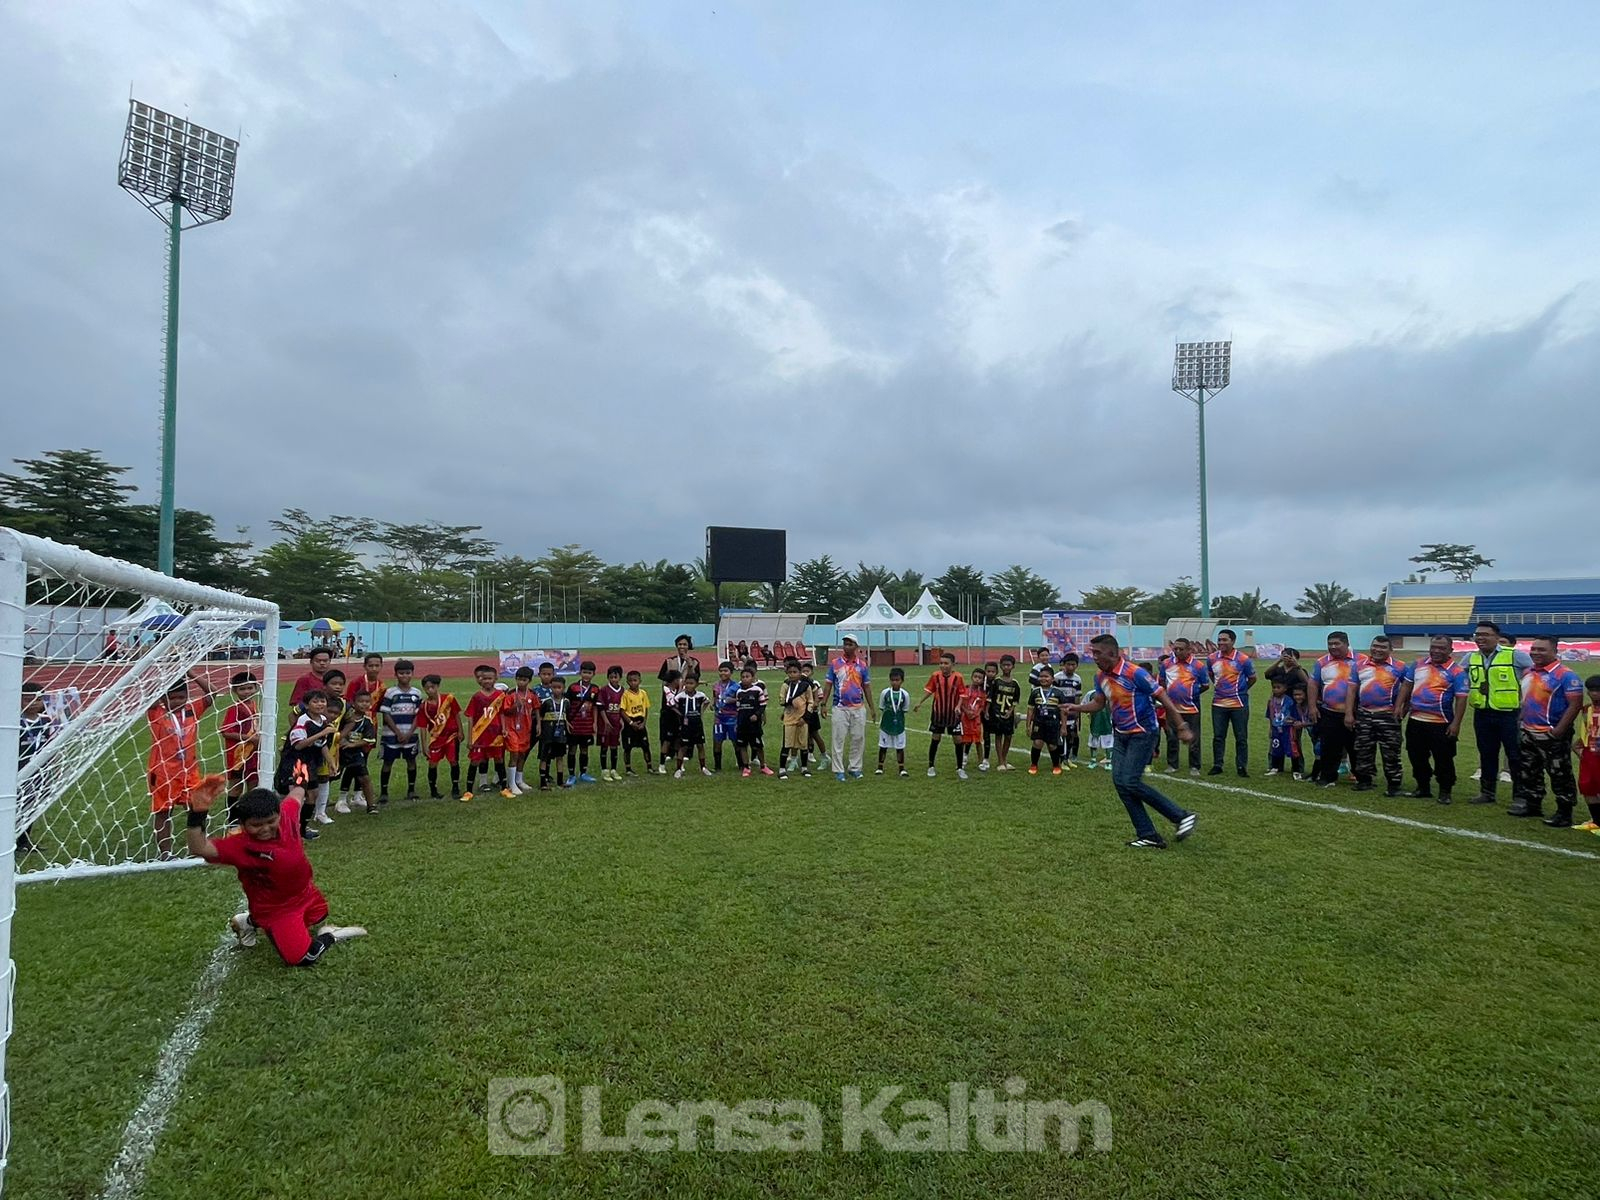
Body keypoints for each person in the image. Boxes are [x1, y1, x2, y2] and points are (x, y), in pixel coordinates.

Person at [183, 777, 366, 966]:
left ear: (279, 814)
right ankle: (329, 935)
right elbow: (199, 847)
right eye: (256, 825)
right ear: (243, 825)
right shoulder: (241, 846)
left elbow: (296, 795)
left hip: (304, 893)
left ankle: (247, 922)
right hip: (276, 910)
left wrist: (300, 779)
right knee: (302, 958)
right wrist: (197, 812)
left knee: (319, 915)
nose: (265, 828)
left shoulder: (287, 813)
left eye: (271, 821)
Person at [1067, 634, 1198, 849]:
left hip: (1143, 733)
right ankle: (1148, 834)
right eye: (1093, 653)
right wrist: (1076, 708)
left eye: (1097, 653)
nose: (1094, 658)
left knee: (1130, 781)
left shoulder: (1133, 672)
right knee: (1121, 783)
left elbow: (1163, 697)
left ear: (1112, 653)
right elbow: (1099, 703)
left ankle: (1181, 816)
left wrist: (1181, 726)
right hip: (1121, 735)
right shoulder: (1100, 677)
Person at [1509, 636, 1585, 826]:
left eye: (1542, 649)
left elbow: (1575, 705)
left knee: (1560, 774)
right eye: (1533, 649)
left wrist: (1558, 731)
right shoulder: (1528, 671)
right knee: (1529, 770)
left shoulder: (1566, 675)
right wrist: (1521, 721)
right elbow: (1524, 698)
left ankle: (1564, 812)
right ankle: (1533, 804)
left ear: (1555, 651)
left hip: (1551, 734)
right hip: (1528, 731)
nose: (1536, 652)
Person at [146, 671, 214, 860]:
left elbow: (212, 693)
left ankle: (198, 846)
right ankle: (165, 854)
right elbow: (149, 695)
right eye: (172, 698)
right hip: (163, 773)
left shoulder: (192, 709)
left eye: (181, 697)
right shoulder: (156, 713)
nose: (177, 701)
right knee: (163, 813)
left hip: (189, 771)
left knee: (196, 809)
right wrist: (164, 677)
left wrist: (190, 673)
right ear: (163, 698)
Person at [1463, 620, 1531, 804]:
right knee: (1487, 753)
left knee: (1515, 755)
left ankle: (1520, 796)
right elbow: (1462, 678)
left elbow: (1535, 675)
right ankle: (1487, 793)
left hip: (1510, 714)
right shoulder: (1470, 657)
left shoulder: (1515, 656)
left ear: (1497, 637)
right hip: (1482, 713)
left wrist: (1526, 703)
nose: (1480, 638)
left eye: (1485, 635)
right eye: (1477, 635)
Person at [1396, 634, 1468, 804]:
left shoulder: (1457, 672)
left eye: (1441, 648)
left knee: (1443, 758)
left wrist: (1456, 724)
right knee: (1416, 756)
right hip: (1416, 720)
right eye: (1433, 647)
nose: (1436, 651)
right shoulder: (1418, 664)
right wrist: (1399, 705)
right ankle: (1423, 787)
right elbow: (1407, 685)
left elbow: (1461, 699)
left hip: (1441, 723)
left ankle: (1445, 790)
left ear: (1450, 650)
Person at [1351, 635, 1405, 797]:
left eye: (1382, 647)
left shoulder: (1400, 667)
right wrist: (1349, 712)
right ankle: (1364, 781)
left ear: (1390, 650)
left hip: (1388, 716)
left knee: (1391, 751)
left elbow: (1408, 688)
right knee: (1363, 749)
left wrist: (1402, 708)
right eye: (1375, 646)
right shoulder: (1359, 666)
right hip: (1364, 714)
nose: (1378, 650)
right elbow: (1352, 690)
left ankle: (1394, 784)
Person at [277, 689, 334, 840]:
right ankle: (289, 828)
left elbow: (322, 745)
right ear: (307, 705)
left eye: (322, 701)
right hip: (296, 762)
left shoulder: (322, 720)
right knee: (298, 796)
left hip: (309, 763)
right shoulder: (303, 721)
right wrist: (321, 733)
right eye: (315, 701)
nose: (319, 704)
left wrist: (331, 762)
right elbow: (299, 745)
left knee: (313, 795)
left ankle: (301, 828)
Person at [821, 635, 875, 781]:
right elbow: (828, 685)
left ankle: (855, 768)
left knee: (858, 738)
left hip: (858, 707)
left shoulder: (862, 665)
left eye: (850, 644)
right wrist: (823, 704)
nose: (847, 647)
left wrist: (872, 707)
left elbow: (867, 687)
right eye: (845, 644)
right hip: (840, 707)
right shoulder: (835, 664)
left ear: (856, 647)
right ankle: (838, 770)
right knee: (838, 739)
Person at [1308, 632, 1358, 789]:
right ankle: (1328, 776)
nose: (1333, 647)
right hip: (1329, 711)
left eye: (1337, 643)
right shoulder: (1322, 662)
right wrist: (1312, 707)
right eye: (1330, 644)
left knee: (1356, 745)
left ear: (1346, 643)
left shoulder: (1361, 660)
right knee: (1329, 746)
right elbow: (1313, 684)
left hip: (1356, 712)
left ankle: (1361, 777)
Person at [1207, 628, 1255, 776]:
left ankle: (1241, 766)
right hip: (1218, 704)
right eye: (1219, 639)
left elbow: (1252, 678)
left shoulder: (1242, 659)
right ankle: (1217, 765)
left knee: (1241, 737)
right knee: (1218, 736)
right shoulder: (1212, 658)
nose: (1221, 642)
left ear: (1232, 641)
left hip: (1238, 704)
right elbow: (1211, 675)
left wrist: (1240, 690)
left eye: (1224, 640)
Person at [1160, 638, 1209, 776]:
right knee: (1171, 737)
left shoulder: (1198, 666)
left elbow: (1205, 685)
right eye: (1175, 649)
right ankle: (1172, 764)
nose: (1178, 651)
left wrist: (1192, 693)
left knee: (1194, 737)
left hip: (1192, 708)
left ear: (1189, 650)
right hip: (1172, 708)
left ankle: (1194, 766)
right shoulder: (1166, 664)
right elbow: (1162, 681)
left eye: (1181, 649)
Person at [377, 659, 423, 803]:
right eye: (401, 673)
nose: (404, 676)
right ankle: (384, 792)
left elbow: (418, 716)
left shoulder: (417, 693)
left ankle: (411, 790)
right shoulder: (390, 693)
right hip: (391, 735)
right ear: (396, 674)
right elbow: (386, 714)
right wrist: (397, 732)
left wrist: (409, 733)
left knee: (411, 761)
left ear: (412, 674)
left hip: (410, 735)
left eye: (407, 673)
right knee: (388, 762)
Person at [915, 652, 968, 778]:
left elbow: (962, 694)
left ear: (953, 664)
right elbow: (930, 690)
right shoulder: (935, 676)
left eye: (946, 663)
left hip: (953, 714)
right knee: (935, 738)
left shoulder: (958, 677)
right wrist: (920, 702)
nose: (943, 666)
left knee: (958, 740)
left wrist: (958, 706)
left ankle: (960, 768)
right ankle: (931, 766)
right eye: (941, 663)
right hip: (938, 713)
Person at [220, 671, 261, 827]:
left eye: (250, 688)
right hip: (238, 754)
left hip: (253, 753)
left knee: (254, 784)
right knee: (236, 786)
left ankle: (251, 816)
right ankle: (232, 820)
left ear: (256, 688)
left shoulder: (254, 705)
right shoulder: (235, 708)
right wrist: (250, 738)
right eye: (242, 689)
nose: (247, 691)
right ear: (234, 691)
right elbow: (226, 731)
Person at [463, 664, 509, 801]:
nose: (487, 681)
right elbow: (470, 717)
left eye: (490, 678)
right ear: (480, 680)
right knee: (475, 761)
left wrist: (504, 728)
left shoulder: (500, 695)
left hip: (495, 734)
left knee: (499, 759)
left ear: (495, 679)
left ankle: (504, 788)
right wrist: (470, 738)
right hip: (480, 735)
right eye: (485, 678)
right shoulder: (477, 697)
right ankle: (468, 791)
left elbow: (501, 714)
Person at [310, 669, 348, 825]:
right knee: (308, 779)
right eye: (334, 684)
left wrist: (341, 735)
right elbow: (295, 712)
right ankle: (306, 809)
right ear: (325, 685)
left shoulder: (345, 704)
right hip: (311, 746)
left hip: (329, 747)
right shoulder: (315, 698)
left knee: (325, 778)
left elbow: (352, 719)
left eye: (341, 684)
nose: (338, 687)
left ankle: (321, 812)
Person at [335, 689, 378, 815]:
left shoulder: (367, 721)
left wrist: (352, 745)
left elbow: (369, 739)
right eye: (361, 701)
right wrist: (341, 741)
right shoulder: (344, 719)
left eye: (367, 702)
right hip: (339, 752)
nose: (364, 704)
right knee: (331, 776)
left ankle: (371, 805)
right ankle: (331, 802)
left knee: (364, 777)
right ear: (353, 703)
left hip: (355, 753)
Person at [420, 674, 464, 799]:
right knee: (433, 763)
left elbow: (456, 714)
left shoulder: (448, 698)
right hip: (436, 739)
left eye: (432, 687)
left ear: (438, 686)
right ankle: (433, 790)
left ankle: (455, 787)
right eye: (427, 688)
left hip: (451, 736)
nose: (430, 690)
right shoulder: (424, 706)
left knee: (453, 761)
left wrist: (460, 731)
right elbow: (422, 727)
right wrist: (424, 746)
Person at [982, 655, 1023, 772]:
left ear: (1013, 667)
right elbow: (990, 698)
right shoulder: (996, 682)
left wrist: (1010, 712)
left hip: (1008, 714)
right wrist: (987, 711)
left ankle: (1005, 759)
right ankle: (1000, 761)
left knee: (1008, 736)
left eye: (1008, 665)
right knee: (998, 736)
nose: (1006, 667)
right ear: (1000, 666)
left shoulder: (1015, 684)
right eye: (1004, 665)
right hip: (996, 713)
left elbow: (1015, 701)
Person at [502, 667, 538, 796]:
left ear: (529, 681)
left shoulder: (532, 694)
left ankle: (519, 779)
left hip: (525, 729)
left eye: (524, 680)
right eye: (519, 680)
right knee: (514, 754)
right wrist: (515, 706)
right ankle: (511, 784)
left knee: (523, 754)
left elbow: (536, 709)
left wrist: (538, 724)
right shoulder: (511, 694)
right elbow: (505, 711)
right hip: (512, 729)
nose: (521, 682)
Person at [672, 672, 714, 778]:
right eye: (687, 683)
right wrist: (681, 716)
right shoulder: (680, 696)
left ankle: (703, 767)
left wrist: (701, 712)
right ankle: (678, 768)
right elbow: (673, 705)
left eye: (691, 683)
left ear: (696, 684)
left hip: (697, 725)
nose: (689, 685)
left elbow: (707, 702)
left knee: (700, 745)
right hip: (686, 726)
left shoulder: (700, 695)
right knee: (683, 746)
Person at [1026, 669, 1068, 775]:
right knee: (1037, 743)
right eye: (1041, 677)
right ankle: (1034, 764)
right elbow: (1030, 709)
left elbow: (1063, 711)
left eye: (1046, 677)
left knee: (1052, 745)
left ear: (1052, 679)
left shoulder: (1058, 693)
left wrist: (1064, 726)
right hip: (1038, 722)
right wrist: (1028, 725)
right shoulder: (1035, 692)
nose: (1043, 679)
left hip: (1053, 723)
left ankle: (1056, 765)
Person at [778, 659, 814, 778]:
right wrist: (790, 701)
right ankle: (782, 769)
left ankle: (804, 767)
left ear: (800, 673)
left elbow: (810, 702)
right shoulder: (785, 686)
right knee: (787, 744)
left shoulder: (805, 686)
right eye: (790, 672)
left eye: (795, 672)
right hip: (789, 718)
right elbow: (781, 700)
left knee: (803, 744)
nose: (792, 674)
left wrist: (805, 718)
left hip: (802, 720)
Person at [735, 665, 773, 776]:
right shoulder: (739, 692)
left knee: (758, 745)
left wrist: (757, 715)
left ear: (752, 678)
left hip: (754, 724)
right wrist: (738, 722)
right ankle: (746, 767)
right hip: (743, 724)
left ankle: (763, 766)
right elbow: (738, 708)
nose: (745, 678)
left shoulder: (757, 690)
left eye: (747, 676)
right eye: (743, 677)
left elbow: (763, 705)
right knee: (742, 745)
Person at [1573, 676, 1600, 832]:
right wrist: (1578, 746)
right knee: (1586, 786)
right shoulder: (1587, 709)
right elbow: (1588, 730)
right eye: (1591, 690)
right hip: (1589, 753)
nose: (1594, 694)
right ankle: (1596, 821)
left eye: (1598, 690)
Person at [566, 662, 601, 784]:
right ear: (580, 673)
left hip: (587, 725)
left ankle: (583, 773)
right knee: (572, 750)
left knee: (584, 749)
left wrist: (595, 723)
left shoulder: (595, 689)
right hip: (574, 725)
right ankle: (571, 775)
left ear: (593, 674)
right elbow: (566, 705)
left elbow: (596, 707)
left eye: (589, 673)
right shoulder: (573, 687)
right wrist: (567, 721)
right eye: (584, 672)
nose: (586, 675)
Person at [1265, 677, 1306, 778]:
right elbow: (1270, 716)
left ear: (1285, 688)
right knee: (1276, 748)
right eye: (1274, 687)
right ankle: (1275, 767)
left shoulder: (1290, 701)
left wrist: (1294, 726)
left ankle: (1296, 770)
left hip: (1288, 730)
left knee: (1292, 749)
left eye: (1278, 687)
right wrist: (1271, 728)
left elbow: (1295, 716)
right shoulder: (1271, 701)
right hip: (1276, 729)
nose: (1275, 689)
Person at [876, 667, 911, 777]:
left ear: (902, 680)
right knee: (883, 745)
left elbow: (905, 709)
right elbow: (882, 707)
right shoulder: (885, 693)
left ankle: (901, 769)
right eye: (893, 680)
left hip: (899, 724)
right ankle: (880, 767)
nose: (895, 682)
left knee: (900, 746)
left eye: (897, 680)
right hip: (886, 723)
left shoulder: (905, 694)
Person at [538, 676, 571, 790]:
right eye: (554, 687)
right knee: (544, 757)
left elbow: (567, 716)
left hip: (561, 735)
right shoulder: (546, 702)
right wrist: (539, 728)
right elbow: (541, 716)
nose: (557, 690)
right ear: (550, 688)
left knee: (560, 757)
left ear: (563, 688)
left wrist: (567, 725)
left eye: (559, 687)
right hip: (548, 734)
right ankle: (543, 782)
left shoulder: (566, 702)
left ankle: (560, 781)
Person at [620, 669, 654, 775]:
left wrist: (644, 722)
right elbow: (622, 710)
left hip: (640, 722)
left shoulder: (643, 693)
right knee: (628, 748)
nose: (633, 683)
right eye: (630, 681)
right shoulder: (625, 694)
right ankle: (628, 769)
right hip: (630, 724)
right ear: (627, 682)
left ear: (640, 681)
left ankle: (649, 767)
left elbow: (646, 708)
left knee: (645, 746)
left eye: (635, 680)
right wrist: (631, 723)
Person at [596, 666, 626, 782]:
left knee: (614, 746)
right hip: (605, 723)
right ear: (608, 677)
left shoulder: (623, 690)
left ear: (620, 677)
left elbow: (623, 708)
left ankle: (613, 769)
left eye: (616, 677)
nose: (613, 679)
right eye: (611, 677)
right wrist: (605, 720)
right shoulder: (604, 690)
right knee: (604, 747)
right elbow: (601, 707)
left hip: (616, 722)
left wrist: (622, 720)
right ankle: (604, 770)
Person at [712, 662, 741, 773]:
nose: (723, 673)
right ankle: (717, 767)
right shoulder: (716, 685)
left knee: (736, 742)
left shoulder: (736, 686)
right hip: (719, 719)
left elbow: (741, 700)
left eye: (726, 671)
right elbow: (715, 698)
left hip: (732, 718)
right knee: (717, 742)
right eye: (721, 671)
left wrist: (732, 700)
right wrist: (713, 704)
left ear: (731, 672)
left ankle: (741, 765)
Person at [1057, 653, 1085, 764]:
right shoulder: (1057, 677)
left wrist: (1077, 712)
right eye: (1068, 664)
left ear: (1077, 665)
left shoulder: (1077, 679)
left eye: (1073, 665)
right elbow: (1054, 695)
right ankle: (1060, 758)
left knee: (1071, 736)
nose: (1070, 667)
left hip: (1072, 711)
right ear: (1064, 665)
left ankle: (1068, 757)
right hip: (1060, 711)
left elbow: (1077, 697)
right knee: (1060, 735)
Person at [800, 660, 829, 769]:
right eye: (803, 671)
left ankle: (824, 756)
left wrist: (815, 705)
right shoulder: (800, 683)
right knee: (804, 735)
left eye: (807, 671)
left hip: (812, 714)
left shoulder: (815, 683)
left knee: (815, 735)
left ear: (812, 672)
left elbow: (819, 698)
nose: (805, 673)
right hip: (801, 713)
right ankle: (806, 756)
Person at [958, 668, 987, 772]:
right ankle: (961, 760)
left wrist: (976, 714)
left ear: (983, 680)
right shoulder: (965, 689)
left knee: (978, 741)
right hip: (965, 719)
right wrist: (966, 711)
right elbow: (960, 704)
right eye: (975, 677)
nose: (977, 679)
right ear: (971, 677)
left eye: (980, 678)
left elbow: (981, 706)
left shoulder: (982, 693)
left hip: (976, 721)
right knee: (964, 741)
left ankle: (980, 762)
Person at [657, 668, 683, 775]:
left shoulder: (677, 688)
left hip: (677, 719)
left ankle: (680, 763)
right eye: (679, 679)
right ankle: (662, 764)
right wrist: (681, 688)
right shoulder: (666, 689)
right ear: (674, 680)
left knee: (678, 740)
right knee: (666, 741)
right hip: (668, 718)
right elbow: (672, 702)